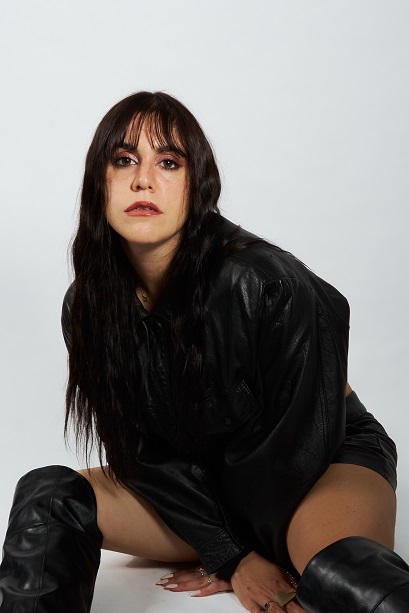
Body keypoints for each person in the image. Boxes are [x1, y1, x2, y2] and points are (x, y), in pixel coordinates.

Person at [0, 91, 407, 613]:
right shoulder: (87, 306)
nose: (143, 180)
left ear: (199, 185)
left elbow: (295, 446)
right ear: (98, 183)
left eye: (169, 162)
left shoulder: (265, 281)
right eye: (123, 160)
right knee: (49, 497)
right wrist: (231, 554)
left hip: (319, 463)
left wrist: (242, 554)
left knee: (343, 576)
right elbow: (140, 456)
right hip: (199, 486)